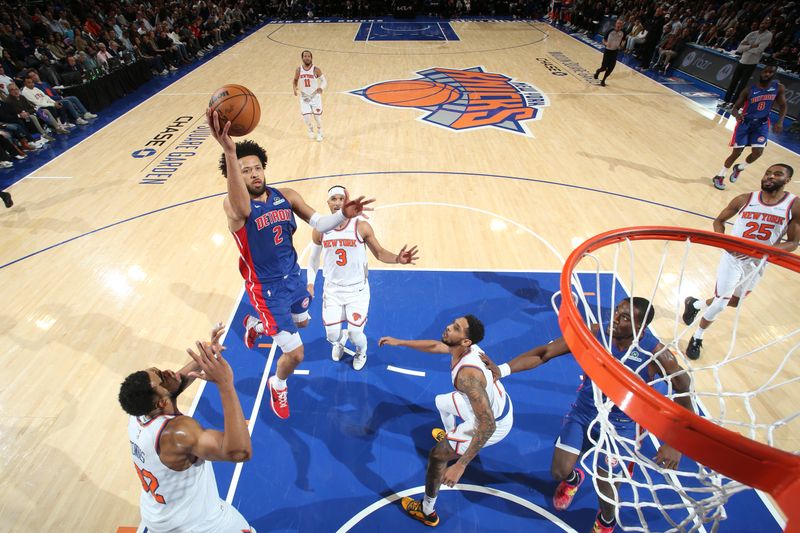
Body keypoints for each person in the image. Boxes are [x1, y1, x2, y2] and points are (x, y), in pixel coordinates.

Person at [207, 109, 373, 420]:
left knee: (304, 323)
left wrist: (344, 215)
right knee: (295, 353)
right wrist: (230, 151)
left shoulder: (287, 196)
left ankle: (255, 326)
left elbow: (321, 222)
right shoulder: (234, 206)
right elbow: (243, 205)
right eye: (245, 171)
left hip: (293, 278)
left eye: (257, 168)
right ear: (233, 175)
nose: (254, 174)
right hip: (266, 289)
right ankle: (278, 383)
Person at [485, 298, 691, 533]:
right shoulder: (596, 333)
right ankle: (573, 479)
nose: (615, 318)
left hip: (622, 426)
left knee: (606, 486)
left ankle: (606, 519)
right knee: (558, 472)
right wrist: (501, 370)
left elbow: (684, 391)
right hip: (585, 412)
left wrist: (675, 442)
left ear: (640, 329)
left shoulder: (657, 355)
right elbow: (545, 353)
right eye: (616, 312)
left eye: (624, 318)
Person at [118, 324, 256, 533]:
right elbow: (240, 452)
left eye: (158, 370)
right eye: (162, 378)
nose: (168, 372)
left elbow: (176, 382)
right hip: (196, 525)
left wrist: (207, 357)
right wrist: (225, 383)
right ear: (162, 403)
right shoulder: (178, 432)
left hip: (157, 517)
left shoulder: (138, 411)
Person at [378, 315, 513, 527]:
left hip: (492, 422)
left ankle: (427, 510)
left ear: (466, 341)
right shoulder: (467, 348)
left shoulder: (467, 375)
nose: (449, 327)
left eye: (456, 328)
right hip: (491, 406)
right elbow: (435, 345)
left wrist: (461, 465)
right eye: (453, 324)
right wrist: (400, 342)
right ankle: (454, 439)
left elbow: (487, 425)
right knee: (441, 402)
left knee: (437, 455)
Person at [684, 164, 799, 359]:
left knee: (734, 302)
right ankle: (697, 336)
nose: (770, 177)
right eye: (768, 173)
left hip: (758, 262)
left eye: (777, 174)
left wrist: (762, 253)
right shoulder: (745, 199)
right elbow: (718, 221)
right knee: (721, 303)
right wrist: (726, 244)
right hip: (733, 259)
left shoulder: (794, 206)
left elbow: (794, 242)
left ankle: (695, 304)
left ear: (787, 180)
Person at [306, 185, 419, 370]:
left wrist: (398, 259)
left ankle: (361, 351)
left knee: (355, 333)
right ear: (327, 203)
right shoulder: (320, 229)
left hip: (357, 290)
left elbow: (380, 253)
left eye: (341, 199)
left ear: (347, 202)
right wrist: (310, 284)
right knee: (332, 335)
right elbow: (312, 260)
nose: (337, 202)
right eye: (333, 199)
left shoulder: (361, 226)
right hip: (332, 290)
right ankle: (339, 341)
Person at [712, 63, 786, 190]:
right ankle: (720, 176)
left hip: (761, 124)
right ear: (761, 72)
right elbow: (735, 108)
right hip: (745, 123)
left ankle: (740, 168)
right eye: (765, 71)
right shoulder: (749, 89)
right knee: (736, 153)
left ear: (774, 75)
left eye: (770, 72)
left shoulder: (778, 88)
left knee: (758, 152)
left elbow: (783, 105)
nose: (767, 74)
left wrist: (780, 121)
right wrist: (736, 115)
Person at [719, 18, 773, 110]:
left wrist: (747, 47)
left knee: (742, 85)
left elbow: (759, 50)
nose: (764, 24)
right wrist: (751, 46)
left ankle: (733, 103)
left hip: (751, 63)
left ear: (769, 25)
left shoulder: (768, 35)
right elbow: (740, 48)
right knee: (733, 82)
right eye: (763, 22)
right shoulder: (752, 34)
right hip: (742, 61)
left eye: (767, 23)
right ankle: (725, 101)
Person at [292, 50, 326, 141]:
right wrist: (294, 88)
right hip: (304, 97)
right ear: (302, 58)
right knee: (306, 117)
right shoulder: (299, 70)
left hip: (315, 96)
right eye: (305, 56)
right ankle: (310, 129)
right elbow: (295, 80)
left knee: (317, 118)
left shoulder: (316, 69)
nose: (307, 58)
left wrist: (321, 88)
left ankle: (319, 131)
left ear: (311, 58)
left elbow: (324, 81)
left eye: (308, 56)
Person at [594, 19, 626, 86]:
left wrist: (621, 46)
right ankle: (597, 72)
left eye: (620, 24)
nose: (619, 25)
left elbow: (623, 40)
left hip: (615, 52)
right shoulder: (610, 31)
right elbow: (603, 39)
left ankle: (603, 80)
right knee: (604, 68)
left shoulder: (623, 32)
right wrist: (605, 44)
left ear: (622, 25)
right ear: (616, 24)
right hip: (608, 51)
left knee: (611, 68)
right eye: (618, 23)